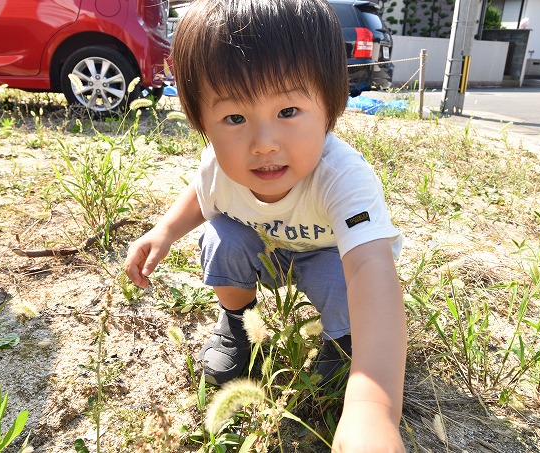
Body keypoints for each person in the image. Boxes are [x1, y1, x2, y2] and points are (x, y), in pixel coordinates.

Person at [123, 0, 407, 450]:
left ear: (331, 106)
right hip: (266, 253)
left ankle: (341, 344)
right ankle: (236, 324)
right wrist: (164, 230)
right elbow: (203, 196)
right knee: (222, 237)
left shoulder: (343, 177)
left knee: (342, 280)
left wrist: (373, 408)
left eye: (289, 111)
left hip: (330, 258)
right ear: (201, 122)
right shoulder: (219, 165)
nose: (263, 144)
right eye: (234, 118)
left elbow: (371, 268)